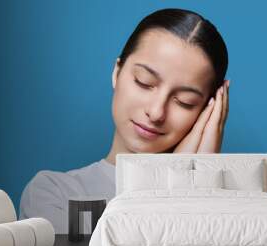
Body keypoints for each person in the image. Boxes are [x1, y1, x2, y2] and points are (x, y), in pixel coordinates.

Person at [20, 8, 230, 234]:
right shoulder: (53, 192)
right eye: (144, 82)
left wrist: (195, 181)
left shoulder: (232, 205)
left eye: (184, 101)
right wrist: (171, 179)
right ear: (116, 72)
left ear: (208, 109)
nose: (156, 112)